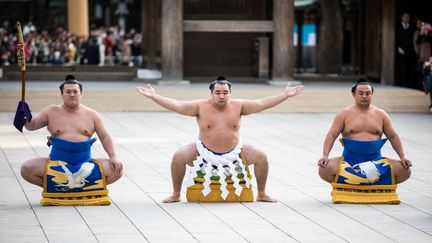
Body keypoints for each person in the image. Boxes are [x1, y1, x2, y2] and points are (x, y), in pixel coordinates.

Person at [136, 77, 304, 203]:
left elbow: (261, 103)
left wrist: (284, 96)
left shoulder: (240, 106)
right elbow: (177, 105)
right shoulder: (200, 106)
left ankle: (261, 193)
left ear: (230, 93)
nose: (222, 96)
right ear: (211, 93)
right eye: (218, 93)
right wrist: (154, 97)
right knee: (178, 157)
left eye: (225, 93)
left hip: (234, 151)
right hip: (203, 151)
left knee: (261, 157)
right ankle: (175, 194)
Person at [20, 75, 123, 191]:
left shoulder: (92, 114)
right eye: (68, 92)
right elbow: (32, 125)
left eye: (75, 91)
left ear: (81, 94)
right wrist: (24, 114)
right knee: (26, 168)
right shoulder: (51, 111)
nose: (72, 94)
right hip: (56, 164)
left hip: (85, 164)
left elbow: (104, 136)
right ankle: (58, 187)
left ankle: (70, 188)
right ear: (62, 94)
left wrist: (113, 156)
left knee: (117, 170)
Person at [317, 79, 412, 186]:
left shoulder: (381, 115)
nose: (364, 96)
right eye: (360, 93)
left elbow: (393, 136)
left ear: (372, 94)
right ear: (353, 95)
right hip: (349, 162)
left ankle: (364, 183)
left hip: (376, 162)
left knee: (405, 171)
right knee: (324, 170)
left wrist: (403, 157)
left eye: (368, 93)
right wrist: (325, 155)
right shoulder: (343, 114)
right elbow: (332, 135)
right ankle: (356, 183)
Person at [396, 13, 417, 88]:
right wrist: (398, 47)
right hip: (401, 50)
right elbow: (396, 38)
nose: (406, 18)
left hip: (410, 51)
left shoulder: (411, 26)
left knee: (410, 69)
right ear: (401, 17)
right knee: (402, 69)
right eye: (404, 16)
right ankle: (402, 85)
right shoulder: (398, 26)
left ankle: (409, 86)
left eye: (408, 17)